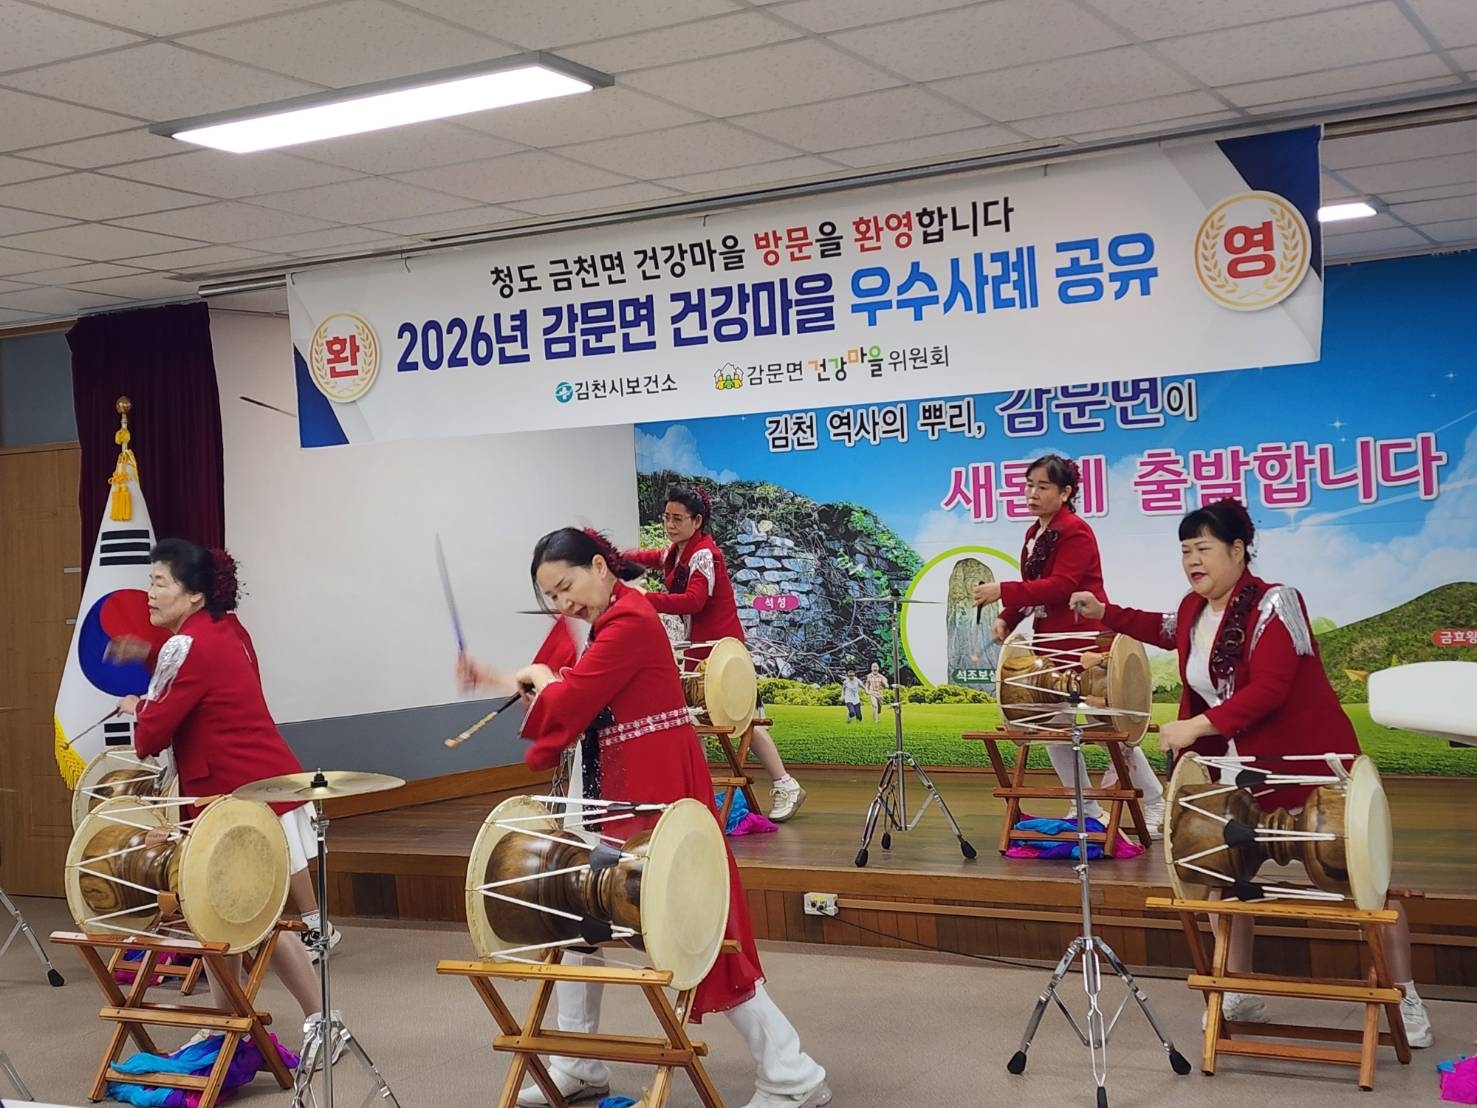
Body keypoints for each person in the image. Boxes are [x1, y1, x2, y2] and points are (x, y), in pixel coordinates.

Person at [456, 528, 831, 1108]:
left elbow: (569, 697)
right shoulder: (607, 619)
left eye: (566, 586)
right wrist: (500, 677)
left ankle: (791, 1071)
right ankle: (578, 1060)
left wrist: (545, 683)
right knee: (578, 911)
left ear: (599, 566)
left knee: (694, 921)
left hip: (652, 785)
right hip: (621, 783)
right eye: (551, 596)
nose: (562, 603)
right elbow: (569, 687)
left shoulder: (630, 620)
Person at [1069, 498, 1433, 1046]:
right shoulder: (1193, 610)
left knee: (1363, 878)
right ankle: (1237, 987)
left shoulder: (1276, 604)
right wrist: (1104, 612)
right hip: (1239, 766)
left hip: (1308, 763)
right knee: (1225, 875)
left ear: (1238, 550)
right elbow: (1162, 627)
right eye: (1185, 551)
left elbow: (1271, 688)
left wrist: (1195, 726)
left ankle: (1404, 996)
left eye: (1203, 548)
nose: (1192, 560)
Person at [114, 540, 328, 1054]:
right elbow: (200, 685)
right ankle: (226, 1024)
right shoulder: (226, 627)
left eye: (159, 583)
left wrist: (136, 709)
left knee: (248, 916)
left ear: (192, 594)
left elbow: (151, 736)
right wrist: (150, 678)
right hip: (254, 786)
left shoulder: (185, 646)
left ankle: (319, 1021)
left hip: (236, 796)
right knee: (221, 915)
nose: (149, 594)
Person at [971, 454, 1165, 832]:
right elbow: (1035, 590)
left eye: (1043, 487)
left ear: (1065, 493)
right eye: (1029, 485)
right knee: (1054, 731)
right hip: (1050, 647)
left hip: (1086, 642)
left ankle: (1154, 802)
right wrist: (1007, 618)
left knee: (1107, 728)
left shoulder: (1076, 531)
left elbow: (1062, 586)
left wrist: (1003, 591)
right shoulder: (1033, 534)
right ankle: (1085, 806)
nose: (1032, 493)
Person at [622, 486, 807, 822]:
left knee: (744, 720)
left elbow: (694, 601)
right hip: (701, 653)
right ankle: (697, 793)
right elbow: (650, 558)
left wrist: (645, 599)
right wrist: (614, 559)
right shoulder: (678, 553)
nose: (670, 524)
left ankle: (786, 784)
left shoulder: (707, 555)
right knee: (696, 721)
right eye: (666, 517)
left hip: (722, 655)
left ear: (697, 521)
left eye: (678, 519)